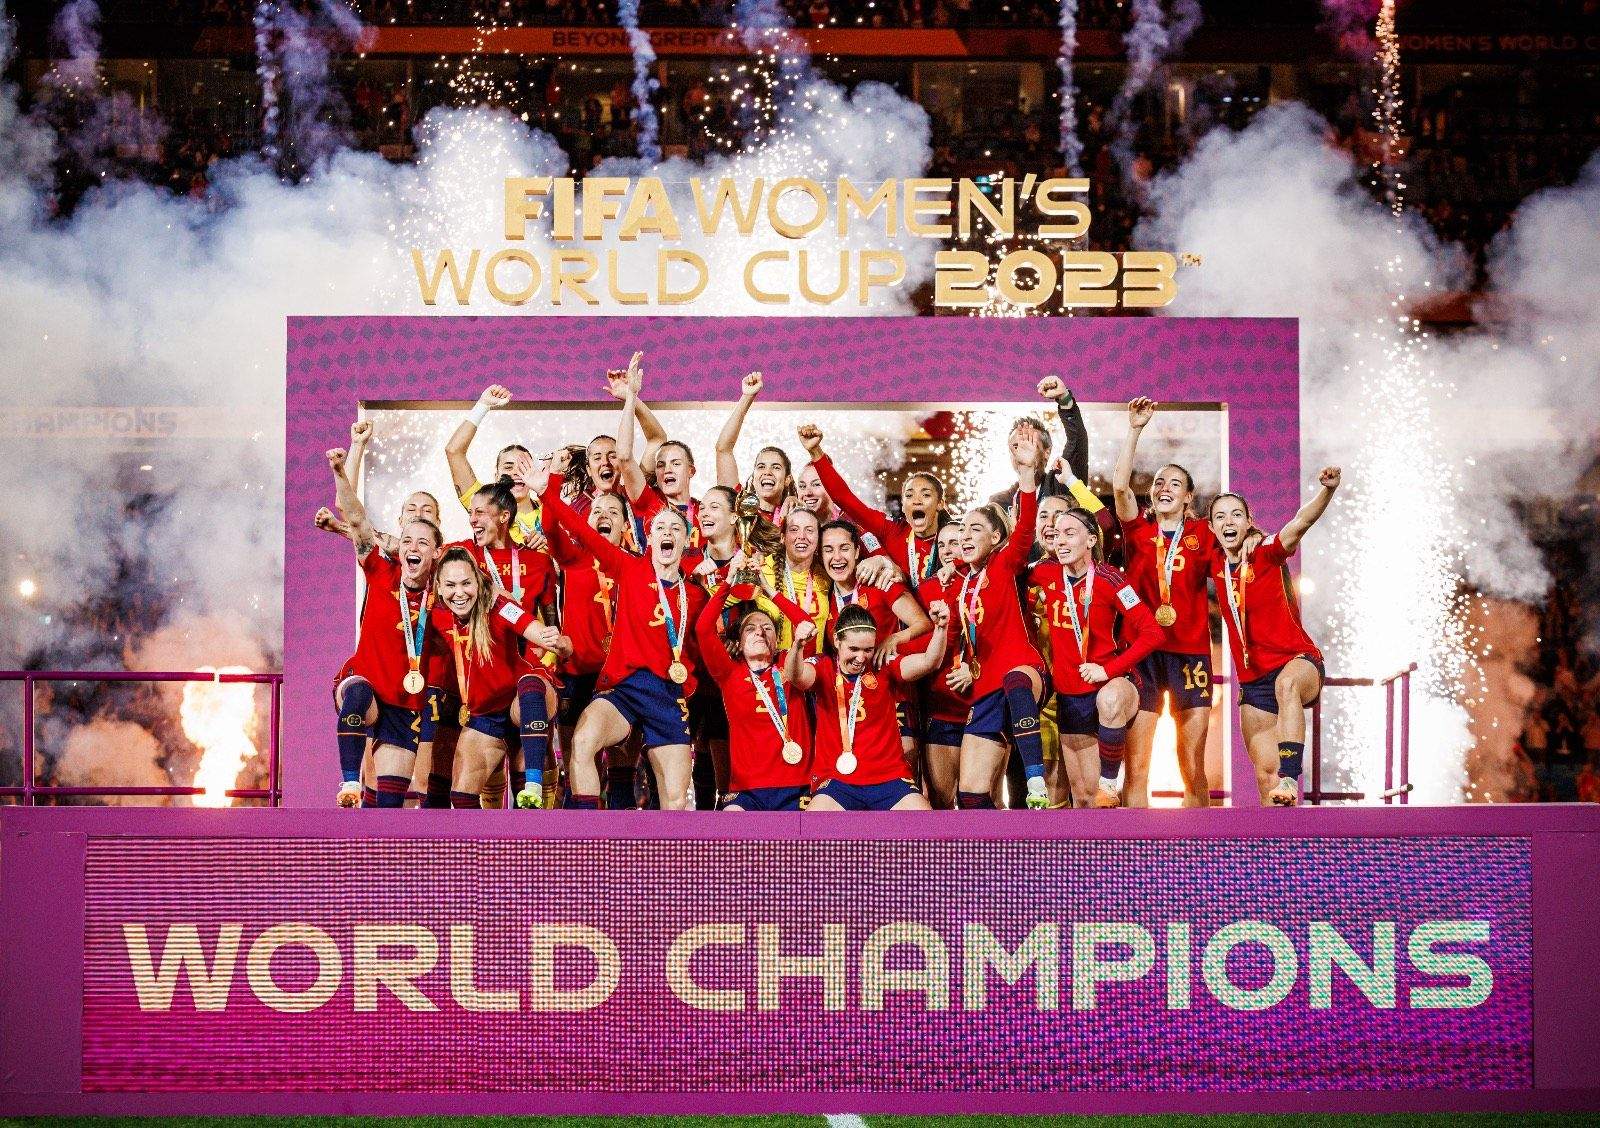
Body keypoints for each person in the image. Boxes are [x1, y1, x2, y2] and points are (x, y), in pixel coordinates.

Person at [541, 455, 708, 810]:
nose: (667, 534)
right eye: (659, 528)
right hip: (626, 687)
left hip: (669, 696)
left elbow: (707, 642)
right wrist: (548, 494)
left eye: (675, 529)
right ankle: (584, 839)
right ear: (648, 537)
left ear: (687, 539)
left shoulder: (696, 593)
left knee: (675, 800)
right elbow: (581, 529)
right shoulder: (628, 568)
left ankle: (669, 863)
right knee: (583, 742)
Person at [1208, 468, 1342, 806]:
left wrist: (1326, 490)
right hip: (1254, 682)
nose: (1228, 521)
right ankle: (1276, 849)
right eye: (1220, 516)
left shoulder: (1265, 551)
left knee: (1287, 686)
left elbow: (1300, 523)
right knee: (1265, 777)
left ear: (1248, 521)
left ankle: (1291, 776)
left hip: (1298, 662)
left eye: (1236, 514)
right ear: (1212, 528)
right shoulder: (1212, 563)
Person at [1111, 396, 1219, 807]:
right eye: (1158, 482)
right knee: (1136, 763)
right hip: (1143, 653)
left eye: (1175, 483)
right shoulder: (1137, 530)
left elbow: (1237, 546)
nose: (1164, 488)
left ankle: (1201, 852)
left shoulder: (1205, 534)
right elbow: (1121, 485)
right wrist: (1135, 429)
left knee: (1191, 760)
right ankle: (1133, 855)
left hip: (1190, 654)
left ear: (1189, 497)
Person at [326, 446, 446, 809]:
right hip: (366, 684)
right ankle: (349, 783)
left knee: (390, 808)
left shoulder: (445, 593)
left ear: (436, 552)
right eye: (406, 541)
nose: (413, 548)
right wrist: (339, 471)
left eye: (422, 543)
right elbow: (358, 520)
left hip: (404, 704)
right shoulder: (381, 571)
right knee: (358, 697)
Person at [948, 426, 1051, 809]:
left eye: (976, 528)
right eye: (962, 531)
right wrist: (961, 664)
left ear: (995, 539)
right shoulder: (960, 585)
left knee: (1015, 682)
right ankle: (990, 863)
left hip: (1023, 671)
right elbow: (962, 637)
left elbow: (1024, 530)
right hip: (984, 688)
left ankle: (1036, 782)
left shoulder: (1005, 564)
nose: (966, 535)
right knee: (971, 796)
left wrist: (1026, 475)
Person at [1034, 508, 1164, 808]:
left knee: (1100, 793)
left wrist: (1109, 670)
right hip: (1069, 694)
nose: (1060, 540)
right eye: (1057, 534)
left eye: (1070, 533)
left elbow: (1153, 632)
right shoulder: (1044, 572)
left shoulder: (1112, 579)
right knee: (1083, 799)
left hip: (1109, 686)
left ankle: (1110, 782)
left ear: (1091, 539)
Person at [430, 548, 567, 809]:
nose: (459, 593)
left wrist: (557, 642)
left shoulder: (501, 607)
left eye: (466, 583)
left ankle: (533, 785)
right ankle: (481, 847)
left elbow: (533, 629)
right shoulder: (436, 617)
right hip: (485, 715)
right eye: (450, 585)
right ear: (439, 586)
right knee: (461, 797)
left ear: (477, 580)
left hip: (519, 702)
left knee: (530, 686)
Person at [790, 601, 952, 811]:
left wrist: (940, 628)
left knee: (926, 831)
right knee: (815, 832)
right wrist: (798, 646)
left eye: (868, 649)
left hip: (890, 778)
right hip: (837, 781)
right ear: (837, 640)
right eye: (854, 649)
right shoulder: (824, 666)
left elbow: (930, 661)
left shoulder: (881, 664)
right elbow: (796, 677)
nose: (861, 658)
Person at [693, 562, 814, 811]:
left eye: (767, 628)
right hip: (747, 792)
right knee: (731, 838)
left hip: (797, 786)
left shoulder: (790, 665)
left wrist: (769, 590)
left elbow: (806, 626)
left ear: (778, 639)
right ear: (738, 641)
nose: (759, 632)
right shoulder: (729, 674)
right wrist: (728, 583)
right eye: (750, 629)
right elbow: (703, 629)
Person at [800, 422, 946, 587]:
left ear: (940, 503)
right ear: (903, 506)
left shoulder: (953, 536)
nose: (917, 500)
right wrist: (815, 451)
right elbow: (844, 498)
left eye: (925, 495)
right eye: (909, 495)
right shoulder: (891, 529)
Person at [915, 520, 972, 808]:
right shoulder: (927, 589)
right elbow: (918, 641)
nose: (949, 550)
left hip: (980, 706)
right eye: (943, 545)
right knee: (940, 801)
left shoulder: (980, 582)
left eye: (956, 542)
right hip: (941, 704)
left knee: (981, 798)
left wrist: (973, 670)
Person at [444, 384, 543, 546]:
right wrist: (483, 405)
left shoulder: (551, 510)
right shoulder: (483, 503)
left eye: (523, 466)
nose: (516, 472)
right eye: (508, 467)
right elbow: (454, 452)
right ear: (496, 477)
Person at [715, 371, 797, 522]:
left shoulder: (796, 517)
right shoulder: (738, 506)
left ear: (787, 479)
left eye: (776, 467)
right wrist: (747, 396)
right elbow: (723, 449)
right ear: (753, 478)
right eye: (761, 466)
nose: (767, 472)